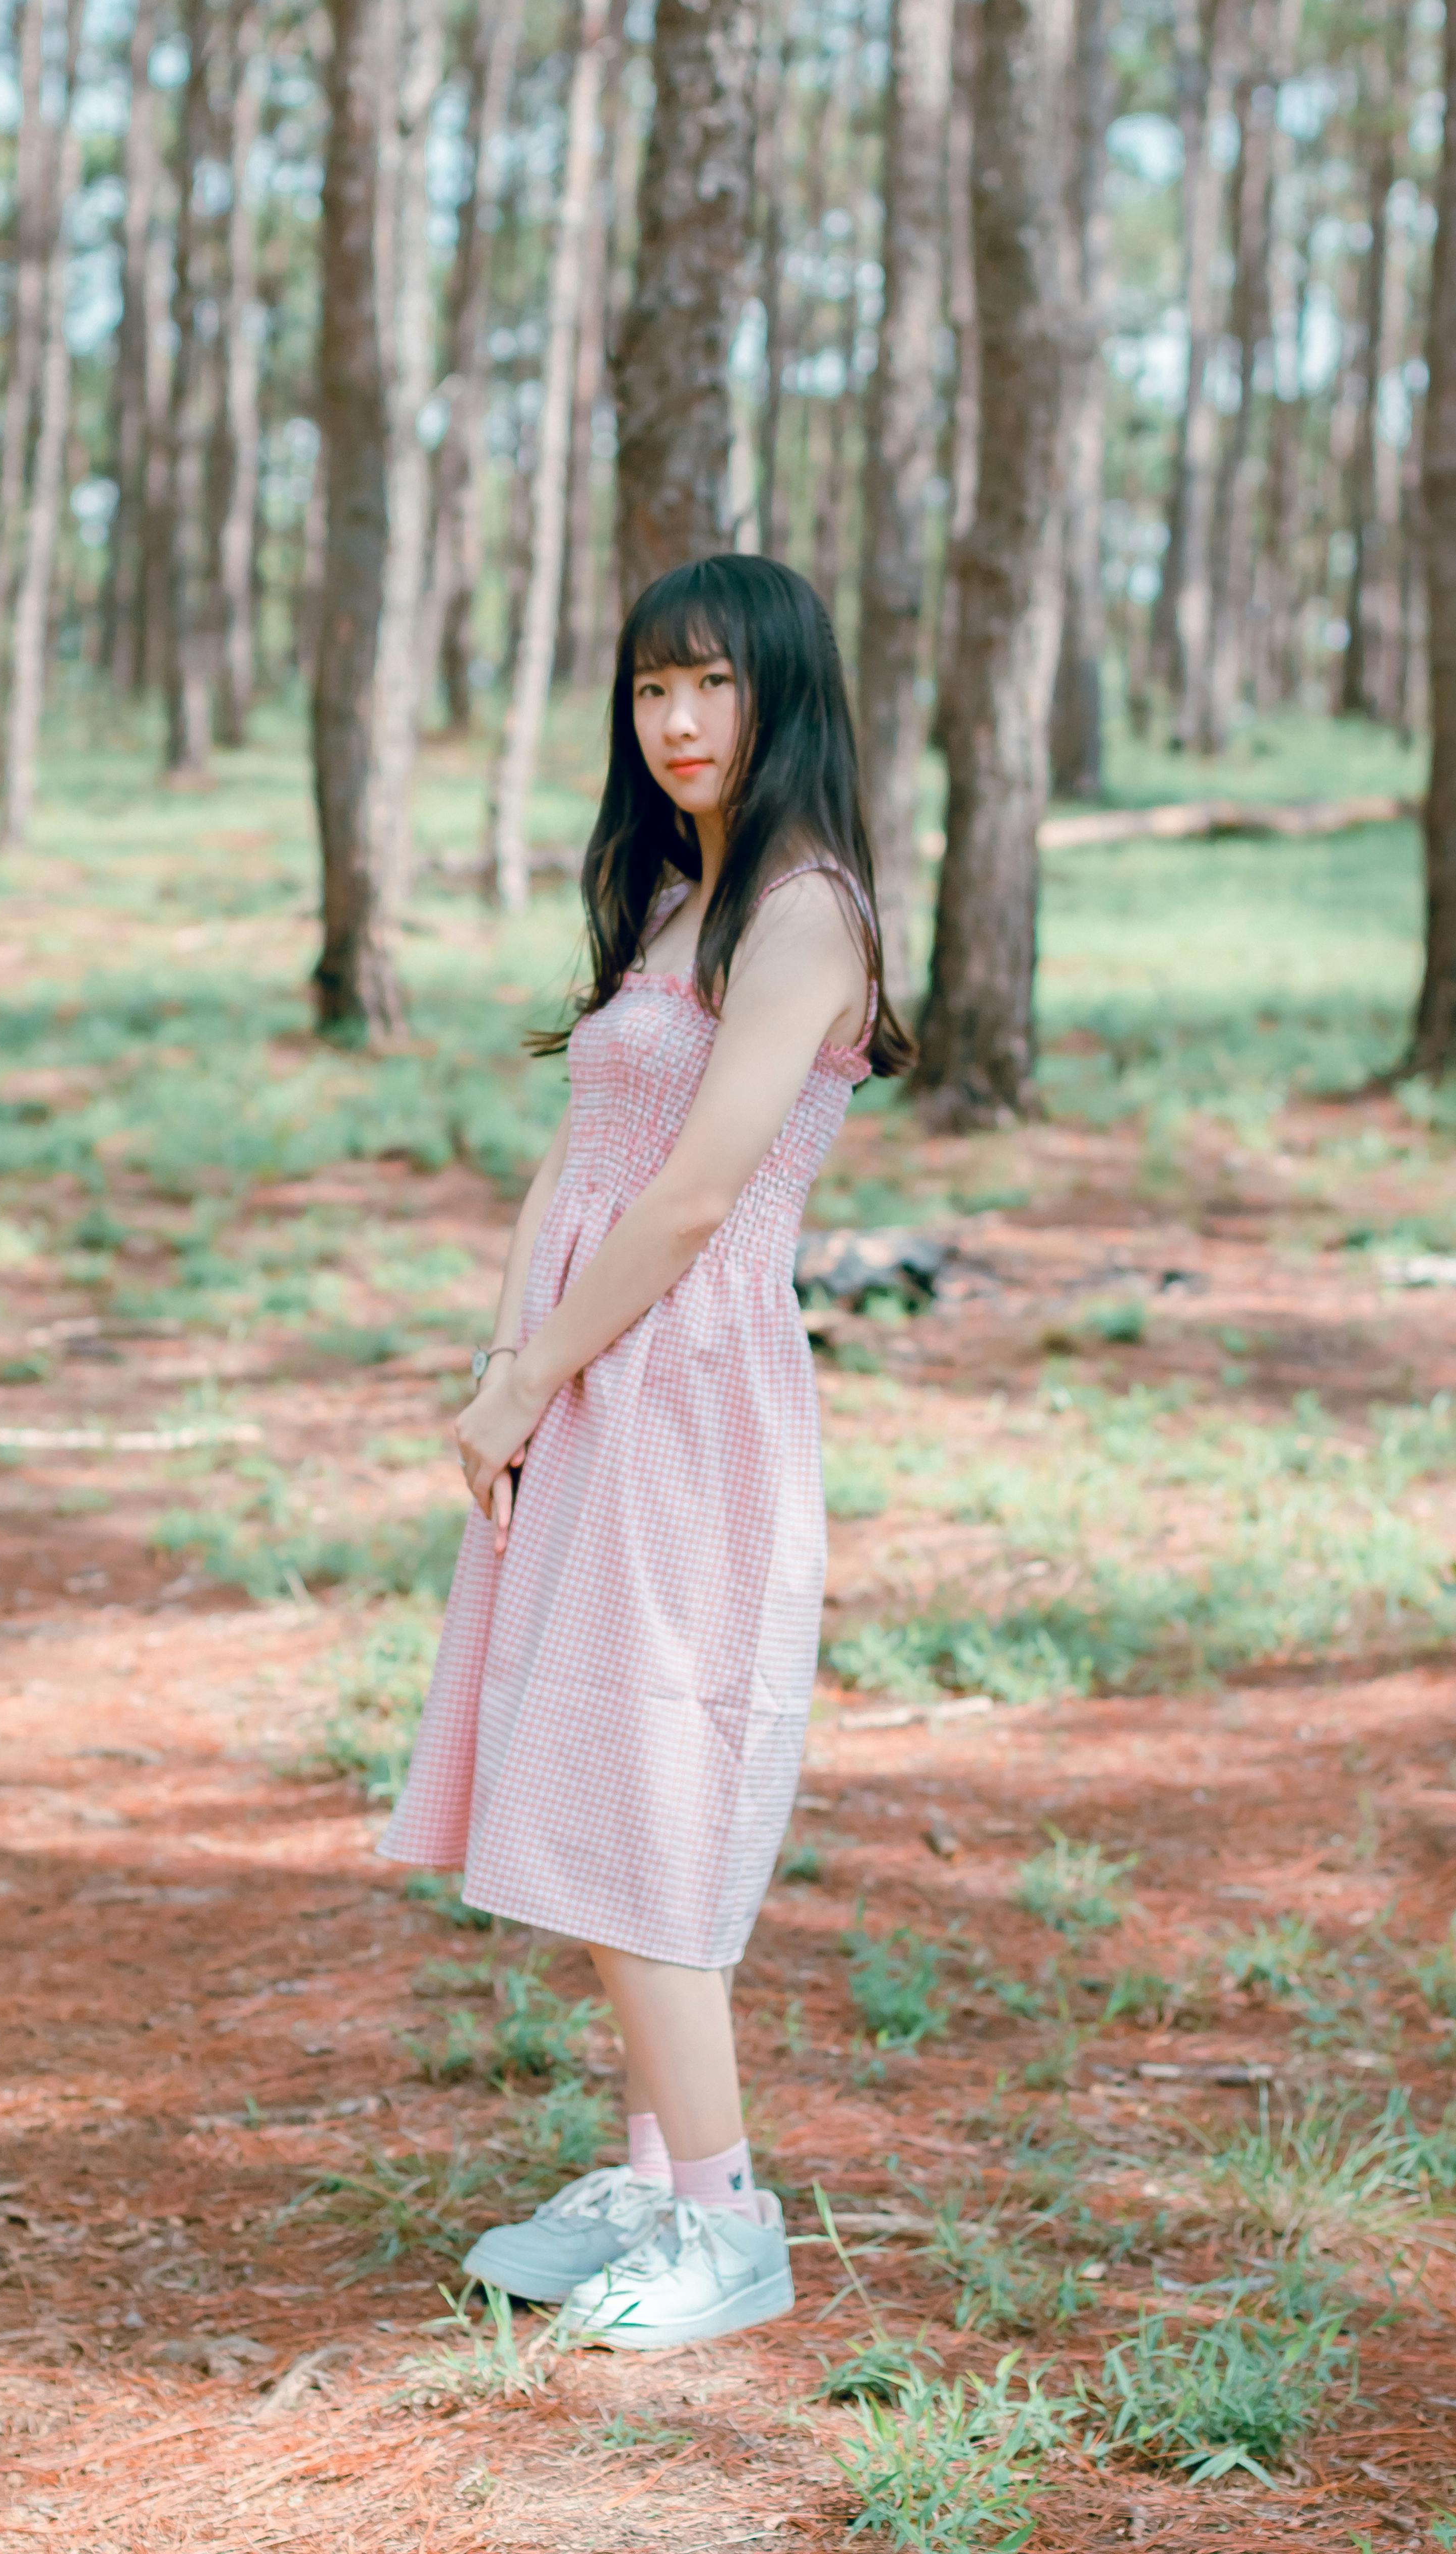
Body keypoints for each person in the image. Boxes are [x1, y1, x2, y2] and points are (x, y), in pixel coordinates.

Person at [380, 554, 913, 2350]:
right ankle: (645, 2165)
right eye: (649, 692)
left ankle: (723, 2218)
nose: (677, 724)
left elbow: (692, 1197)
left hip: (681, 1393)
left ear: (785, 697)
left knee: (645, 1778)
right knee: (579, 1758)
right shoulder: (682, 898)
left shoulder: (808, 911)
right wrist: (507, 1354)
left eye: (712, 688)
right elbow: (582, 1149)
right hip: (590, 1367)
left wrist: (538, 1382)